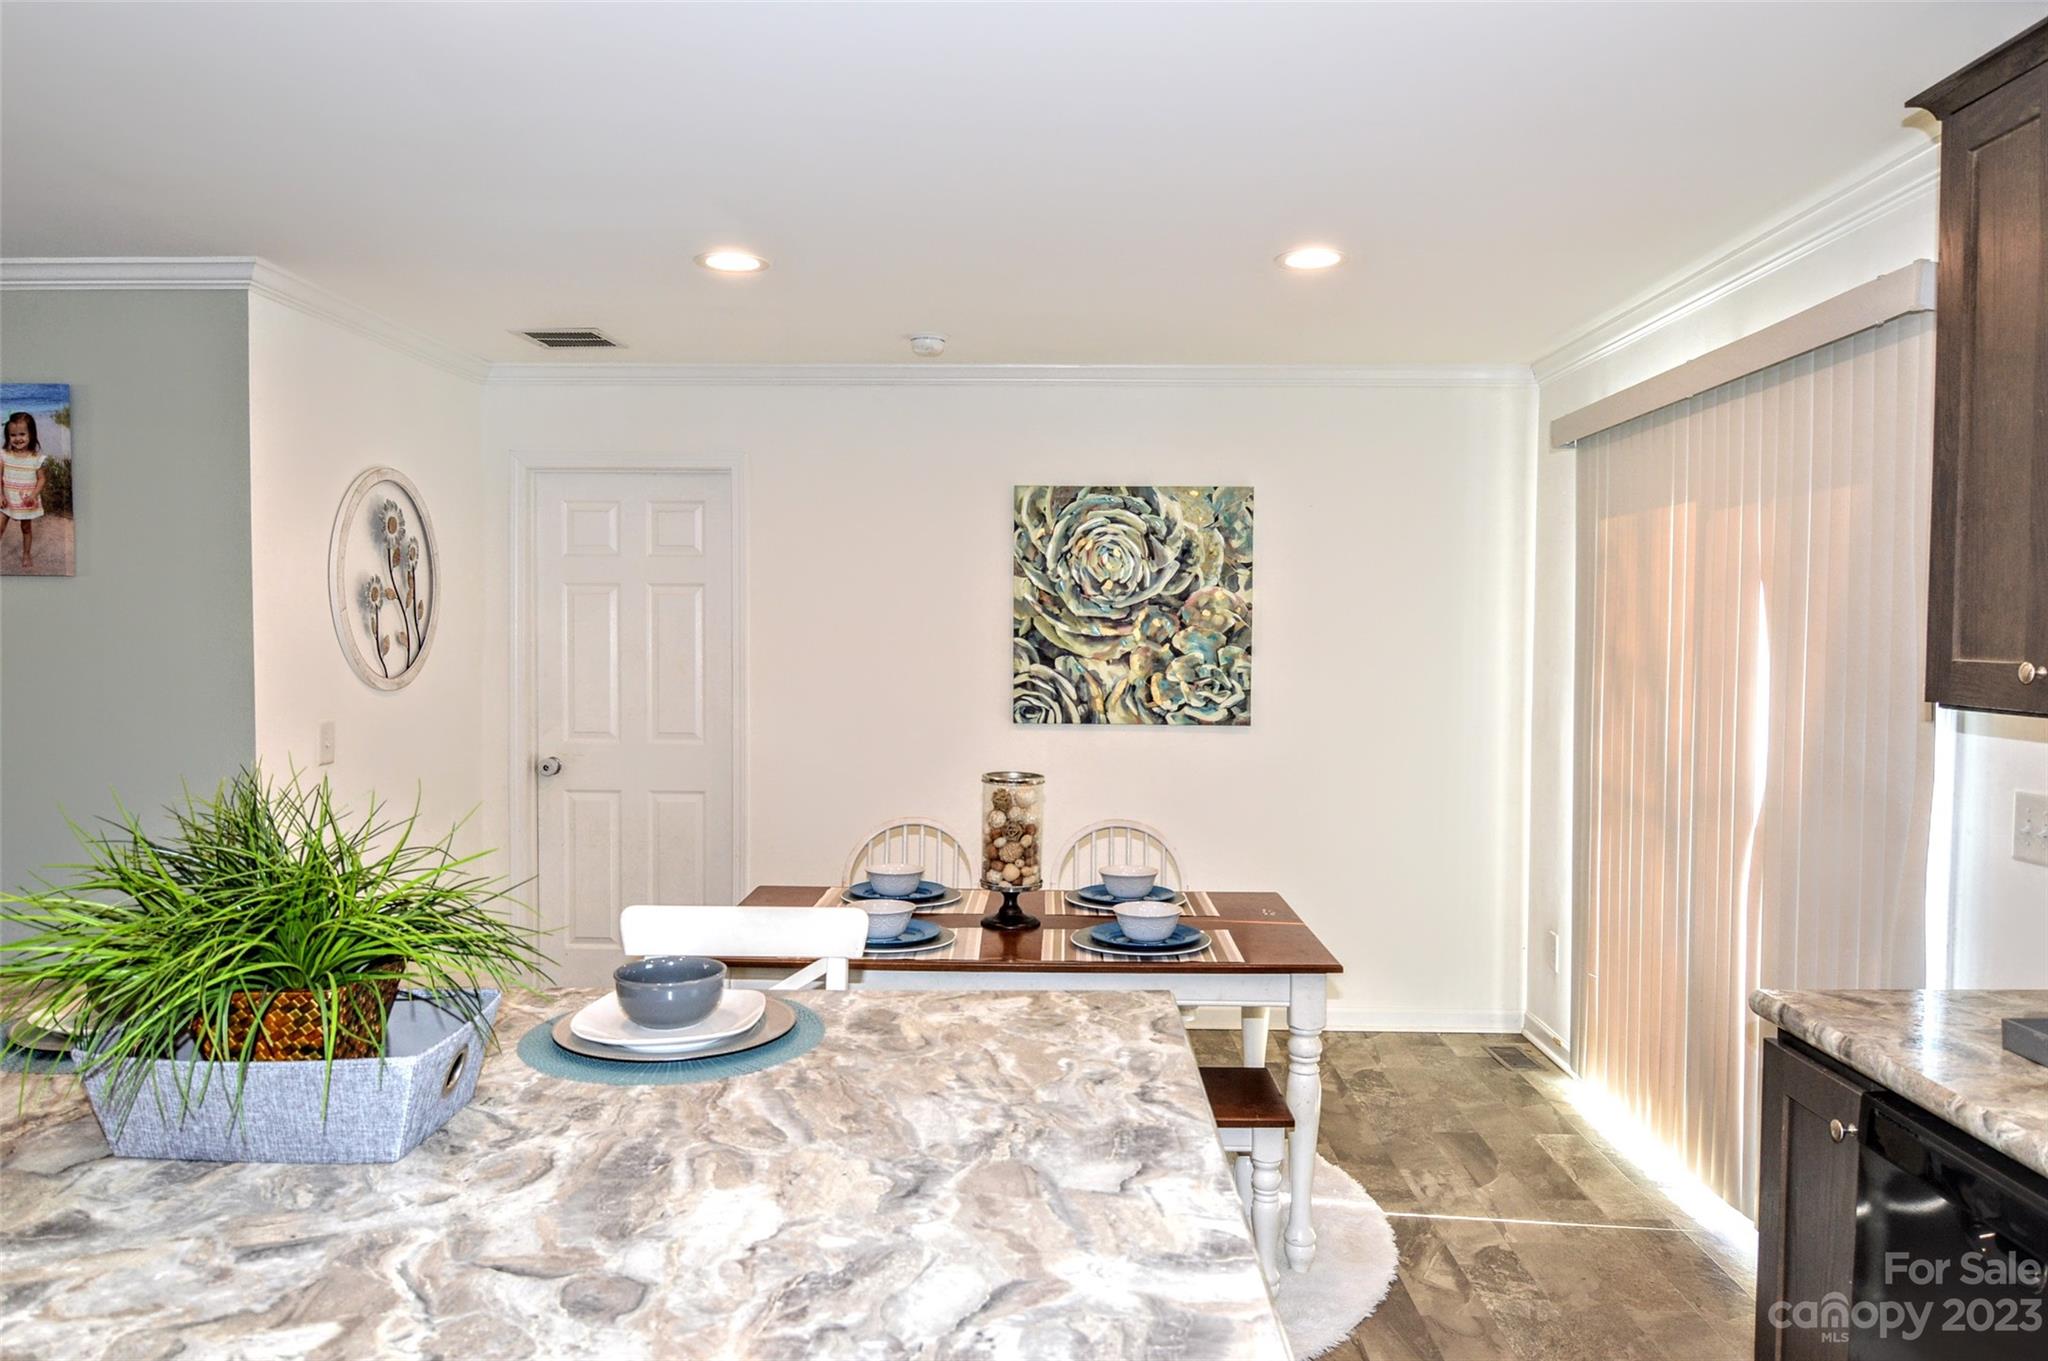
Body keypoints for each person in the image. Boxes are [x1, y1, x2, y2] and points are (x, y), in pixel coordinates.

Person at [1, 410, 47, 568]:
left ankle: (26, 554)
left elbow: (42, 479)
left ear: (31, 434)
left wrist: (34, 495)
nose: (18, 439)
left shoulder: (36, 458)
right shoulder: (4, 455)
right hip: (6, 499)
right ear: (8, 436)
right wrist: (0, 495)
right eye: (13, 435)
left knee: (26, 527)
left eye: (22, 434)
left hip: (25, 500)